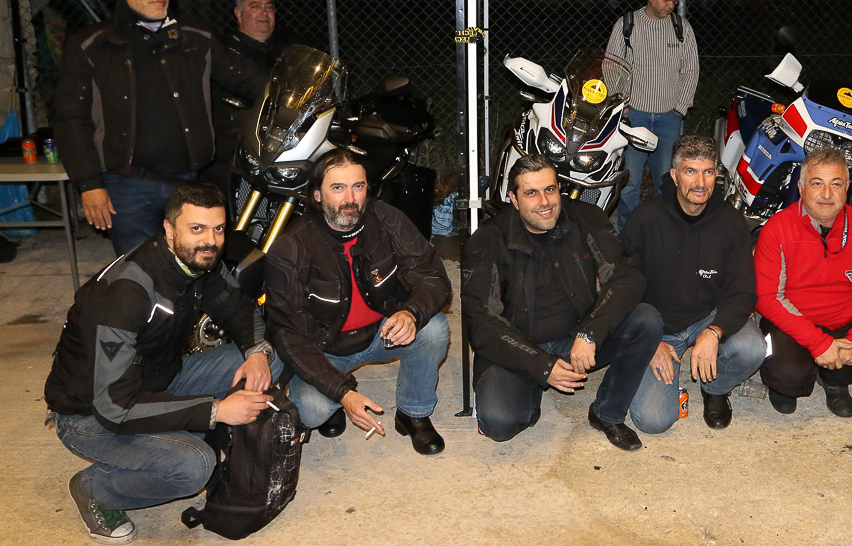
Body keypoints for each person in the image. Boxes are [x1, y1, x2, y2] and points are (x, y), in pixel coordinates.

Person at [44, 181, 280, 545]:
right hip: (90, 414)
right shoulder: (127, 295)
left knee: (269, 359)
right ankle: (94, 488)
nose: (210, 241)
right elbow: (114, 407)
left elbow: (237, 307)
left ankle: (182, 432)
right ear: (169, 229)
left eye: (218, 229)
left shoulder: (197, 260)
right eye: (197, 228)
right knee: (194, 465)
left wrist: (257, 352)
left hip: (159, 379)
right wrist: (216, 411)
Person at [55, 0, 266, 255]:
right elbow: (70, 120)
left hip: (187, 181)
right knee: (139, 272)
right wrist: (89, 184)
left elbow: (249, 80)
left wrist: (300, 94)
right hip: (125, 184)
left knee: (193, 266)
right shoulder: (91, 45)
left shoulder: (195, 39)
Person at [462, 155, 661, 450]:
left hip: (576, 339)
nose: (544, 202)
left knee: (646, 319)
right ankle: (531, 391)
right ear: (514, 199)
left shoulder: (584, 216)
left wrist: (591, 332)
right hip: (518, 347)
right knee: (500, 423)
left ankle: (607, 413)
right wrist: (541, 367)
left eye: (550, 189)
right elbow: (482, 323)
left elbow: (626, 277)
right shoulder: (487, 239)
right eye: (531, 193)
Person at [264, 149, 452, 454]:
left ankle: (412, 413)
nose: (350, 198)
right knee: (311, 411)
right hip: (325, 349)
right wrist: (342, 392)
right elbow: (288, 336)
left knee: (434, 329)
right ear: (316, 195)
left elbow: (432, 275)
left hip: (381, 332)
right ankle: (335, 398)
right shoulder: (290, 248)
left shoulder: (386, 218)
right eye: (338, 188)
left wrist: (411, 312)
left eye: (358, 186)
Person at [755, 147, 852, 418]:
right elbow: (766, 298)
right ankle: (785, 383)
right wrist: (818, 344)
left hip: (843, 320)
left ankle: (834, 377)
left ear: (847, 187)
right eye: (817, 183)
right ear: (801, 188)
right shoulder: (777, 229)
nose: (827, 194)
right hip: (792, 322)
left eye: (836, 184)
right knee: (789, 377)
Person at [622, 135, 766, 433]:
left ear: (716, 175)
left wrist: (715, 332)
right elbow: (622, 284)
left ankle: (715, 388)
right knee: (653, 420)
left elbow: (743, 291)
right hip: (659, 325)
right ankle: (662, 370)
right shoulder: (644, 219)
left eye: (708, 172)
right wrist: (647, 340)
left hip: (708, 316)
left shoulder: (731, 223)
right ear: (675, 176)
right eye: (690, 171)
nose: (700, 182)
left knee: (752, 348)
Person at [605, 0, 700, 228]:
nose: (671, 5)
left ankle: (664, 230)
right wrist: (622, 105)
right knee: (630, 182)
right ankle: (629, 231)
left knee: (666, 181)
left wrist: (679, 109)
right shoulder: (627, 25)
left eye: (675, 1)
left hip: (669, 118)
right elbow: (611, 66)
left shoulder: (681, 28)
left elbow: (691, 70)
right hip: (633, 116)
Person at [206, 0, 290, 194]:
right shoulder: (223, 52)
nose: (264, 12)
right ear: (238, 13)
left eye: (269, 7)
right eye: (255, 6)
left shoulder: (287, 50)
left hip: (279, 147)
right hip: (232, 149)